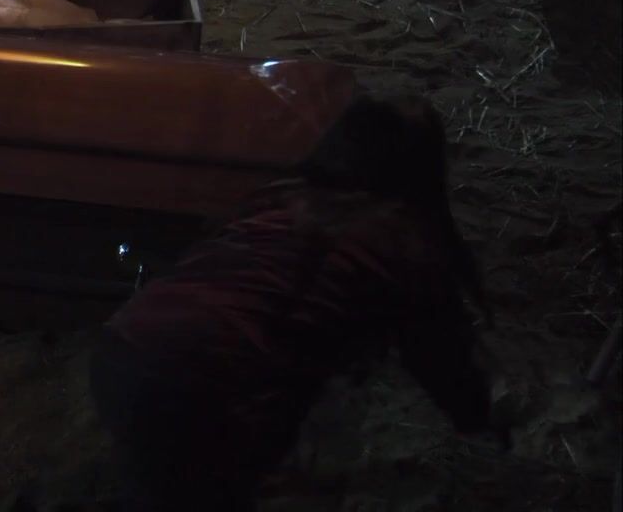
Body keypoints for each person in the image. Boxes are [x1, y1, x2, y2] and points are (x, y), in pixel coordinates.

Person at [90, 94, 502, 511]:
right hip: (210, 380)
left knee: (163, 483)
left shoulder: (281, 197)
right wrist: (476, 417)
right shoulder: (400, 239)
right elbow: (438, 353)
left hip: (127, 346)